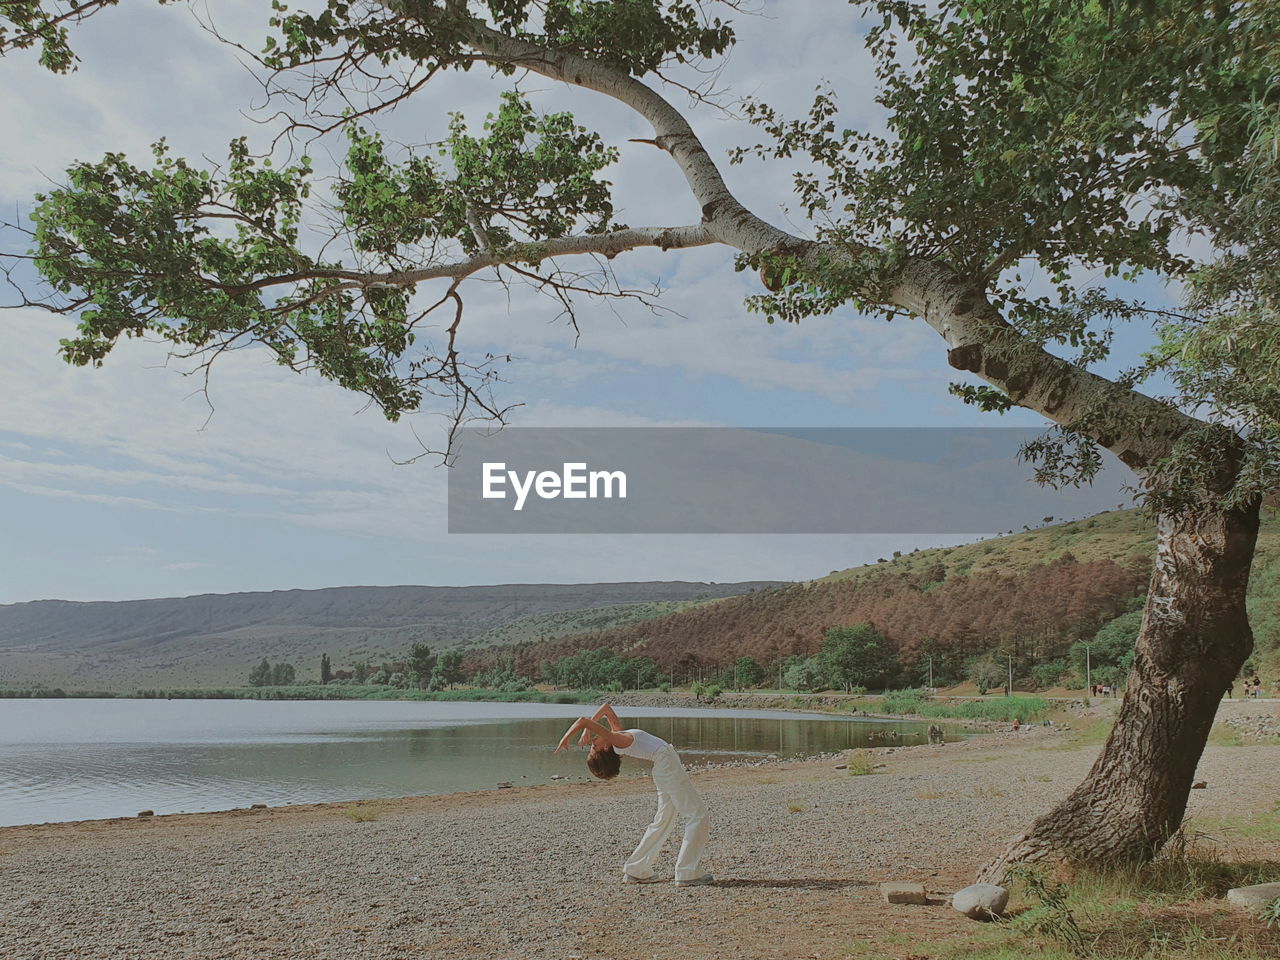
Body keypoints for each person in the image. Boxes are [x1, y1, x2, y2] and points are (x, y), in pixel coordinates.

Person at [556, 703, 713, 887]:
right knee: (697, 815)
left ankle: (636, 870)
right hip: (666, 765)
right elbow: (583, 721)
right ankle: (688, 872)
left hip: (664, 767)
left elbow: (606, 708)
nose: (592, 742)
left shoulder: (617, 736)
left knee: (663, 820)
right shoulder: (615, 740)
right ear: (606, 748)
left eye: (591, 745)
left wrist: (589, 728)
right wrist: (567, 738)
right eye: (594, 747)